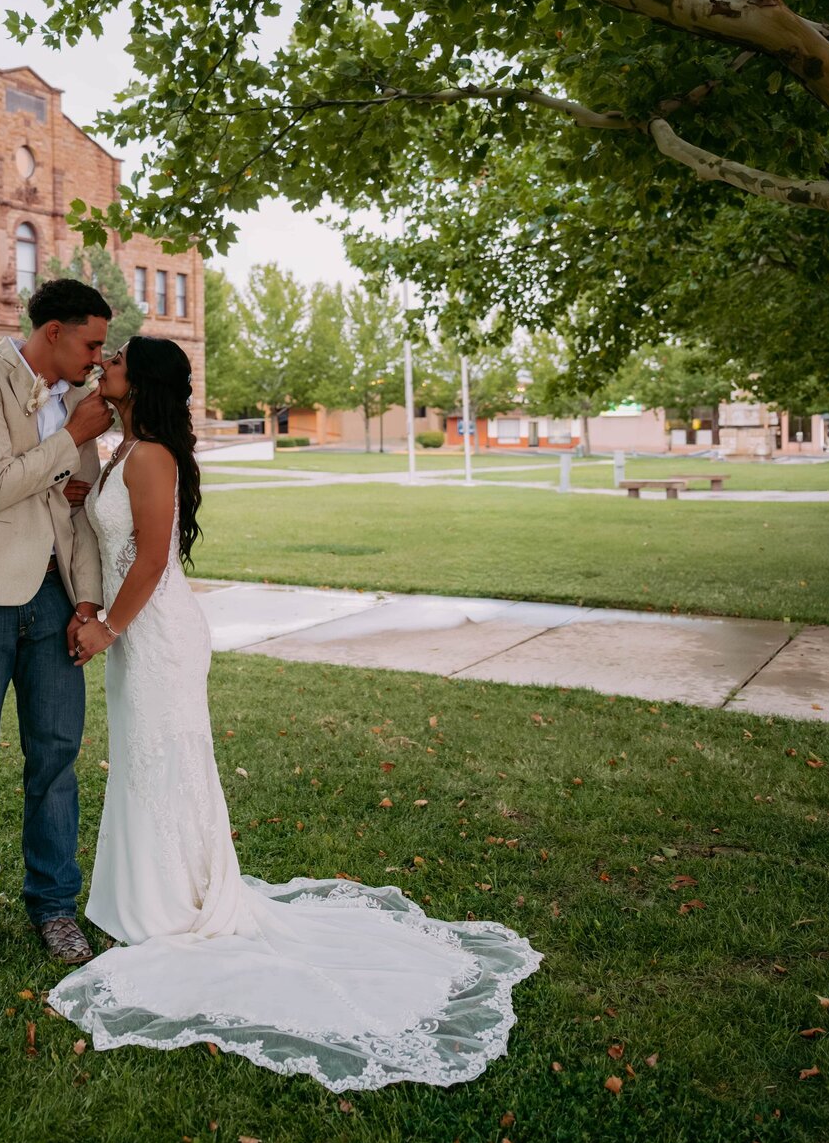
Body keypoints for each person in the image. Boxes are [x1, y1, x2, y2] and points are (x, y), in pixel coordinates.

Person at [52, 336, 542, 1091]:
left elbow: (151, 560)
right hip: (136, 634)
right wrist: (84, 498)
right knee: (152, 762)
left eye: (116, 358)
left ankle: (174, 904)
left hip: (155, 634)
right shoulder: (124, 451)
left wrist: (107, 626)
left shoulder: (149, 457)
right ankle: (155, 893)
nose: (104, 362)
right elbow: (115, 534)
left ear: (139, 380)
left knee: (165, 761)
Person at [0, 278, 113, 977]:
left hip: (54, 601)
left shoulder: (80, 406)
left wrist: (87, 603)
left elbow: (83, 510)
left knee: (57, 759)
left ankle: (54, 906)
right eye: (91, 342)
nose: (100, 357)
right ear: (55, 331)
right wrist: (68, 442)